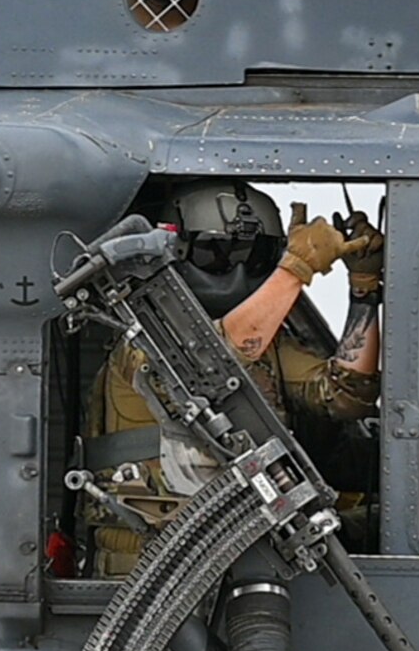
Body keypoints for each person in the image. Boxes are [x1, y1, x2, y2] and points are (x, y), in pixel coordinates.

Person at [81, 181, 383, 575]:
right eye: (217, 253)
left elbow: (344, 395)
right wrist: (296, 269)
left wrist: (362, 291)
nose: (238, 270)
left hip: (240, 554)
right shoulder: (145, 339)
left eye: (255, 257)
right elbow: (213, 361)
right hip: (149, 576)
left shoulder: (268, 346)